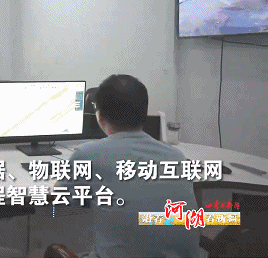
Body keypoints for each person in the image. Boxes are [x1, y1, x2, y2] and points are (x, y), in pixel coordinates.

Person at [54, 74, 199, 258]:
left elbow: (61, 195)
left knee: (51, 251)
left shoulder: (87, 154)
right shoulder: (177, 157)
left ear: (100, 117)